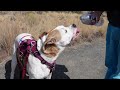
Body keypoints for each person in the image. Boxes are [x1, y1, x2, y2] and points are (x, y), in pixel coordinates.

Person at [80, 11, 120, 79]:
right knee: (111, 65)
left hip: (114, 26)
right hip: (113, 25)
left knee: (117, 73)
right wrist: (98, 13)